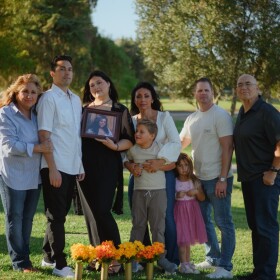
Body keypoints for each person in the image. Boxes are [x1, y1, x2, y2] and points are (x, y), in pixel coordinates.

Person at [78, 70, 134, 274]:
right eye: (92, 85)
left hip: (108, 168)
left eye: (99, 83)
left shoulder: (120, 110)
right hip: (84, 169)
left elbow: (129, 139)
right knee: (91, 215)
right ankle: (99, 256)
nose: (96, 87)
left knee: (102, 210)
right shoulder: (83, 111)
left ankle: (115, 259)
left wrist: (114, 146)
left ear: (109, 84)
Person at [180, 77, 235, 279]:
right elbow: (181, 143)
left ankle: (225, 267)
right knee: (203, 221)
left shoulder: (220, 115)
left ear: (213, 93)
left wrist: (222, 178)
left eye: (206, 90)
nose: (202, 93)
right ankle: (212, 257)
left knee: (224, 222)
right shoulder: (192, 119)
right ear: (195, 94)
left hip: (217, 178)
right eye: (199, 90)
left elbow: (228, 148)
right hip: (199, 179)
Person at [37, 55, 85, 278]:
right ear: (52, 73)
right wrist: (52, 168)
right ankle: (60, 264)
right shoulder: (48, 99)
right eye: (62, 69)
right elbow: (44, 135)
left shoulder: (75, 99)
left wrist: (80, 164)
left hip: (72, 165)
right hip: (54, 166)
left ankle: (47, 256)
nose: (67, 72)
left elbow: (75, 136)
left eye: (70, 69)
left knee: (60, 214)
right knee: (56, 216)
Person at [124, 82, 181, 267]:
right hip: (139, 177)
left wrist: (160, 161)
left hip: (163, 176)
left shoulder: (164, 118)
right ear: (134, 99)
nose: (142, 100)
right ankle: (142, 258)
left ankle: (168, 259)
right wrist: (130, 166)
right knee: (138, 220)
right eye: (138, 96)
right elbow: (125, 151)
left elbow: (175, 143)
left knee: (165, 219)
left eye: (146, 95)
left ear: (153, 98)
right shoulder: (131, 121)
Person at [0, 74, 52, 272]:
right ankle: (19, 262)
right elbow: (9, 146)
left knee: (28, 218)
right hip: (11, 174)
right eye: (25, 91)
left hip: (33, 174)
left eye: (33, 92)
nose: (29, 95)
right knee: (15, 217)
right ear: (16, 92)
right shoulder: (6, 113)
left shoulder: (38, 115)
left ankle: (25, 259)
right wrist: (39, 148)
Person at [233, 74, 280, 280]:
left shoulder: (267, 112)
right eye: (240, 84)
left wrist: (273, 171)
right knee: (255, 226)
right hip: (249, 178)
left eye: (248, 84)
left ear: (257, 88)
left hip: (265, 178)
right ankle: (258, 272)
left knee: (266, 227)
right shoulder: (242, 112)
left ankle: (267, 275)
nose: (244, 87)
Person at [127, 119, 177, 274]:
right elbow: (126, 161)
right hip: (139, 192)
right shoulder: (133, 150)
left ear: (152, 135)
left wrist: (159, 165)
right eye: (137, 131)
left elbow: (172, 164)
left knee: (158, 227)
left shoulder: (161, 149)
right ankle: (133, 259)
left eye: (142, 132)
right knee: (138, 226)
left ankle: (161, 258)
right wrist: (131, 166)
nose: (137, 134)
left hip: (158, 193)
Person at [174, 153, 207, 275]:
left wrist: (196, 192)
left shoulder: (194, 180)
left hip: (192, 214)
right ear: (176, 167)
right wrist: (177, 195)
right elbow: (170, 197)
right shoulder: (174, 181)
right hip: (180, 213)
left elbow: (202, 198)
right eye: (180, 166)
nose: (184, 168)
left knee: (187, 242)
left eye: (186, 165)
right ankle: (183, 265)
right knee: (182, 241)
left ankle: (187, 263)